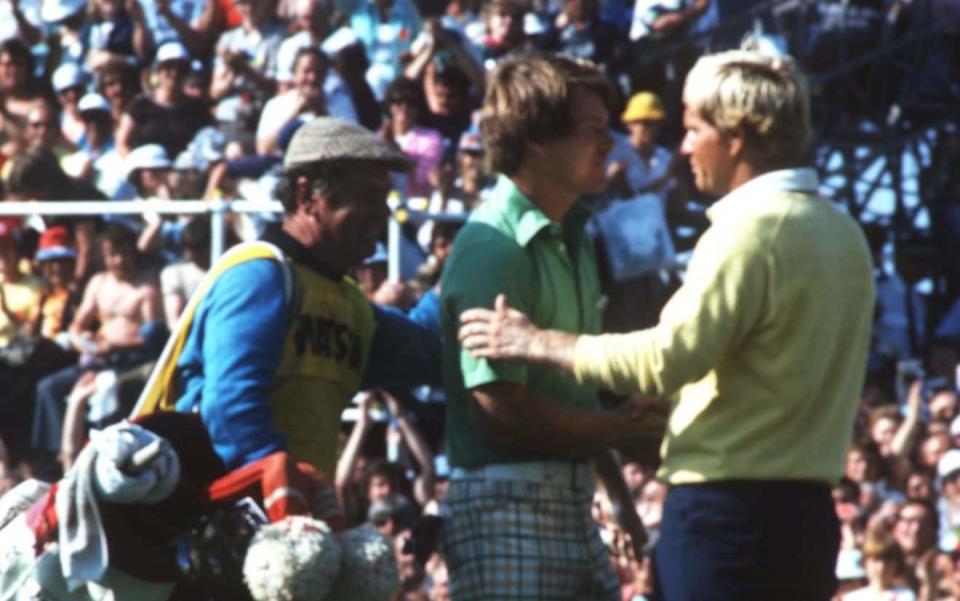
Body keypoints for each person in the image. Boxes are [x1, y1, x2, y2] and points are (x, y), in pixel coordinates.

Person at [458, 49, 876, 599]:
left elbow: (662, 360)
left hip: (727, 520)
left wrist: (537, 342)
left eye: (694, 128)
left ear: (736, 135)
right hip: (807, 522)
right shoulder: (845, 234)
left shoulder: (749, 230)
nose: (683, 147)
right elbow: (768, 375)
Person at [438, 53, 652, 600]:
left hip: (569, 503)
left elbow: (574, 397)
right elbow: (501, 415)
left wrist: (620, 500)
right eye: (592, 131)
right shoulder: (493, 246)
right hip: (504, 507)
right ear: (536, 139)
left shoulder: (576, 234)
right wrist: (622, 428)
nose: (611, 144)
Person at [133, 117, 440, 481]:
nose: (384, 212)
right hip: (236, 521)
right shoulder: (259, 277)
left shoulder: (348, 302)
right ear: (307, 196)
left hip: (287, 519)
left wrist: (464, 264)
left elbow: (426, 351)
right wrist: (286, 496)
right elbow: (232, 411)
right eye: (368, 196)